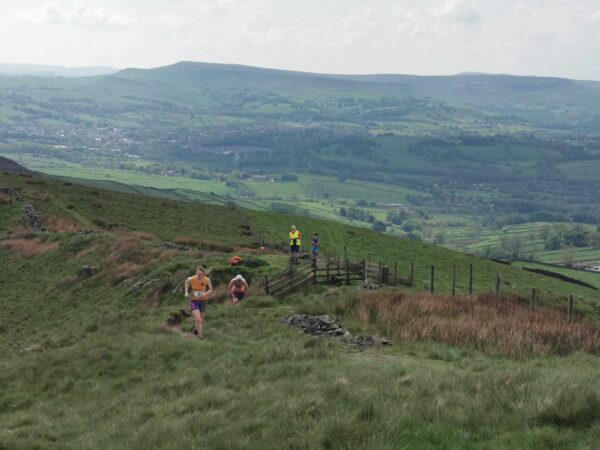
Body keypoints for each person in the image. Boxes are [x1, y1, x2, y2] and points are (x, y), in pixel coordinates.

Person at [184, 266, 213, 339]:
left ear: (203, 274)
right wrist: (186, 292)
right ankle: (200, 337)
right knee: (198, 319)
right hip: (194, 301)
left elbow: (211, 289)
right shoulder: (192, 279)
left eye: (201, 274)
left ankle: (196, 330)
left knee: (201, 320)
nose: (200, 276)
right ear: (196, 273)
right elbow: (186, 283)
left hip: (203, 301)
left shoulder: (206, 280)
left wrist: (204, 294)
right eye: (198, 274)